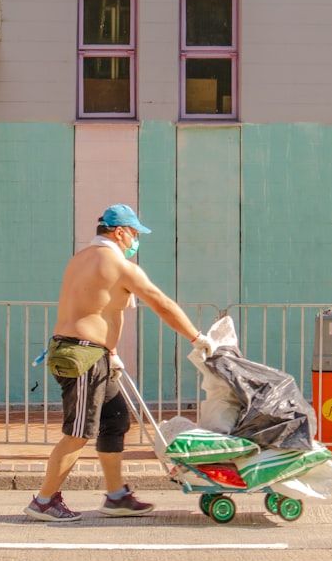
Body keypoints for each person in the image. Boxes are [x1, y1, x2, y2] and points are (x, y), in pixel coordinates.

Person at [24, 203, 213, 522]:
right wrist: (197, 337)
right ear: (120, 231)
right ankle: (43, 501)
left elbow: (94, 305)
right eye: (135, 234)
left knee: (115, 420)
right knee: (78, 432)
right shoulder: (120, 266)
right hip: (82, 356)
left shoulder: (81, 259)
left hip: (88, 352)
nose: (136, 240)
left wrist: (110, 351)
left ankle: (116, 497)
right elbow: (162, 304)